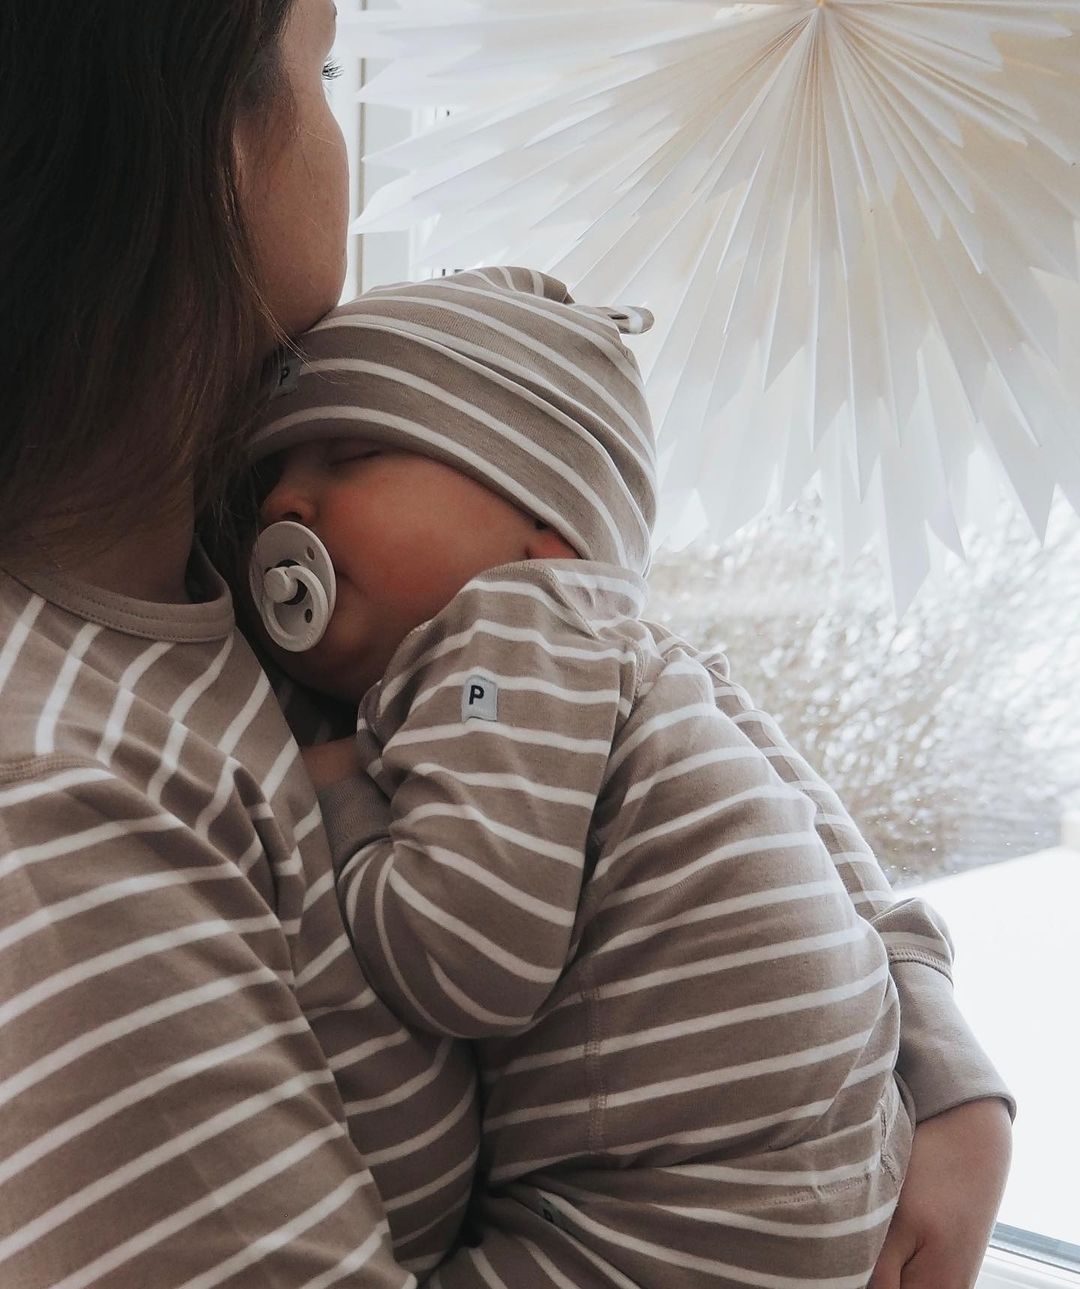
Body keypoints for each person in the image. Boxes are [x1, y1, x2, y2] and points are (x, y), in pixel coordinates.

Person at [0, 1, 1011, 1285]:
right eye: (326, 67)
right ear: (204, 145)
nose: (293, 499)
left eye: (347, 453)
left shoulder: (320, 597)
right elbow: (467, 947)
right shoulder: (64, 804)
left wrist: (936, 1059)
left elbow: (758, 765)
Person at [244, 266, 1015, 1287]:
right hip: (846, 1158)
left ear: (548, 535)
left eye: (351, 455)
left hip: (671, 1214)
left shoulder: (503, 628)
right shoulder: (654, 664)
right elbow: (842, 856)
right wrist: (951, 1077)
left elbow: (467, 951)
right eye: (269, 477)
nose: (283, 502)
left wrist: (328, 792)